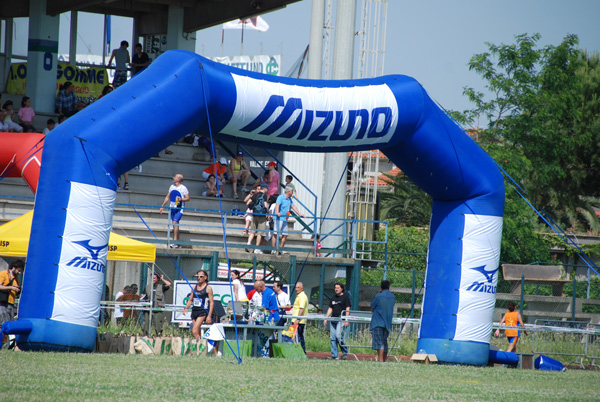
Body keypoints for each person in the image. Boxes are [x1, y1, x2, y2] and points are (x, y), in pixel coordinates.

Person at [159, 173, 190, 247]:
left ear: (178, 179)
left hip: (179, 208)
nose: (173, 178)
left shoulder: (183, 188)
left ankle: (175, 242)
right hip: (172, 208)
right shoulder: (172, 187)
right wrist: (162, 205)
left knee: (175, 222)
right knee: (174, 224)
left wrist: (181, 199)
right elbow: (167, 197)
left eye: (175, 177)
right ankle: (176, 242)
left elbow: (188, 198)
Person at [183, 270, 214, 341]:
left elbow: (211, 302)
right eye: (197, 276)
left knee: (194, 331)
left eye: (201, 276)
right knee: (197, 332)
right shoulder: (194, 287)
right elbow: (190, 299)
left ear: (205, 277)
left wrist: (209, 315)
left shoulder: (208, 288)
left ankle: (201, 344)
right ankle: (200, 347)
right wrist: (186, 308)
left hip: (202, 311)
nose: (199, 278)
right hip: (194, 311)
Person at [324, 282, 351, 360]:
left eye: (338, 287)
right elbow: (330, 308)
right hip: (333, 320)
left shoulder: (345, 297)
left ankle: (344, 352)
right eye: (335, 287)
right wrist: (326, 318)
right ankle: (334, 355)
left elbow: (347, 308)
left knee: (338, 336)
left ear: (342, 288)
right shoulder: (333, 298)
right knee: (332, 337)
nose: (336, 289)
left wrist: (346, 319)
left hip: (341, 320)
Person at [370, 280, 396, 362]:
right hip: (387, 322)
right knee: (384, 342)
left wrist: (377, 295)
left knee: (379, 342)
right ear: (389, 287)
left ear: (381, 287)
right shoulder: (392, 296)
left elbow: (372, 308)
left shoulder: (378, 296)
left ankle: (380, 360)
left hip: (378, 322)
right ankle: (384, 359)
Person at [274, 186, 305, 254]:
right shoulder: (281, 197)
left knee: (285, 234)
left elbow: (293, 206)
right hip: (279, 218)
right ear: (289, 192)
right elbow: (277, 205)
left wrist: (299, 214)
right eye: (292, 191)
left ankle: (281, 249)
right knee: (276, 233)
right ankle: (273, 249)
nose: (293, 193)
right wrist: (277, 212)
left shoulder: (289, 199)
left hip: (285, 219)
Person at [245, 183, 269, 254]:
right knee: (260, 233)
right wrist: (267, 212)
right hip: (261, 215)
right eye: (267, 188)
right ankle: (257, 249)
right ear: (264, 188)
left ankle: (248, 244)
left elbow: (248, 203)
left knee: (252, 231)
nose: (267, 190)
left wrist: (252, 209)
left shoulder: (255, 194)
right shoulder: (264, 195)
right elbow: (265, 205)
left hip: (254, 215)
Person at [0, 259, 24, 327]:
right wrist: (11, 288)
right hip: (3, 302)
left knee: (11, 323)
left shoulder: (16, 278)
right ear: (14, 267)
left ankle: (9, 337)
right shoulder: (4, 274)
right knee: (4, 322)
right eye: (19, 270)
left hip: (11, 303)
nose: (19, 273)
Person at [291, 282, 309, 353]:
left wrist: (297, 319)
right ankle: (300, 351)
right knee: (297, 336)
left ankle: (301, 351)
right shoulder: (299, 296)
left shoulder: (302, 296)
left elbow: (302, 308)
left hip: (299, 321)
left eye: (298, 288)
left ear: (302, 288)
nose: (296, 289)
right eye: (295, 287)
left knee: (298, 337)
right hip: (297, 319)